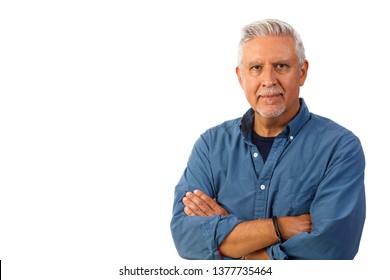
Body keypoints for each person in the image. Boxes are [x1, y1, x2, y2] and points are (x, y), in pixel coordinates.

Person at [170, 19, 366, 260]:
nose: (269, 80)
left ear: (302, 72)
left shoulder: (339, 148)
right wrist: (281, 227)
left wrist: (240, 251)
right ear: (240, 76)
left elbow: (332, 248)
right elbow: (186, 239)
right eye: (255, 68)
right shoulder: (211, 146)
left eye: (281, 66)